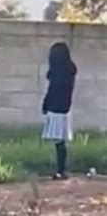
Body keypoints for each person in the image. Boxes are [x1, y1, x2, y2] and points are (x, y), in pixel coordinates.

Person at [41, 42, 77, 180]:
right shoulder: (69, 72)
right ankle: (60, 170)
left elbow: (52, 91)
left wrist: (45, 105)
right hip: (64, 109)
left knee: (59, 143)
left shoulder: (58, 74)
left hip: (56, 110)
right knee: (60, 143)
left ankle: (60, 171)